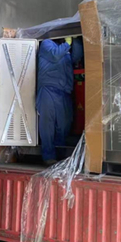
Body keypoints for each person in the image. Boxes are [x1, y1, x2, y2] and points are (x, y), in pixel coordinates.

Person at [36, 37, 83, 166]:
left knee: (64, 124)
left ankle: (60, 154)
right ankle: (48, 156)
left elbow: (76, 56)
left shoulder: (65, 49)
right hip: (48, 89)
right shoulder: (47, 44)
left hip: (64, 92)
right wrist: (68, 43)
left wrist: (76, 40)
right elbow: (55, 55)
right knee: (48, 125)